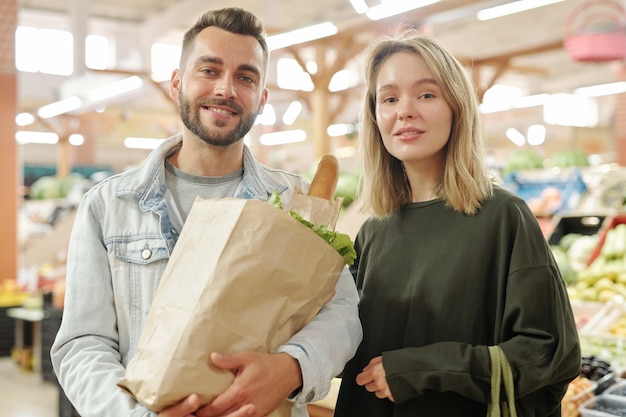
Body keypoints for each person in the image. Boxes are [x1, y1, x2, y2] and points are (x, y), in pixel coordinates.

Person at [51, 7, 362, 417]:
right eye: (209, 70)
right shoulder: (109, 206)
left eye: (246, 77)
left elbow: (342, 312)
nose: (227, 89)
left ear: (262, 99)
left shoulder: (297, 202)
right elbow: (83, 343)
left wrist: (292, 367)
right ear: (178, 82)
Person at [332, 30, 581, 417]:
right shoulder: (373, 231)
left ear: (457, 107)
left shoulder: (503, 218)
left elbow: (547, 354)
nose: (405, 110)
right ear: (375, 116)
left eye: (426, 94)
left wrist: (424, 369)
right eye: (389, 98)